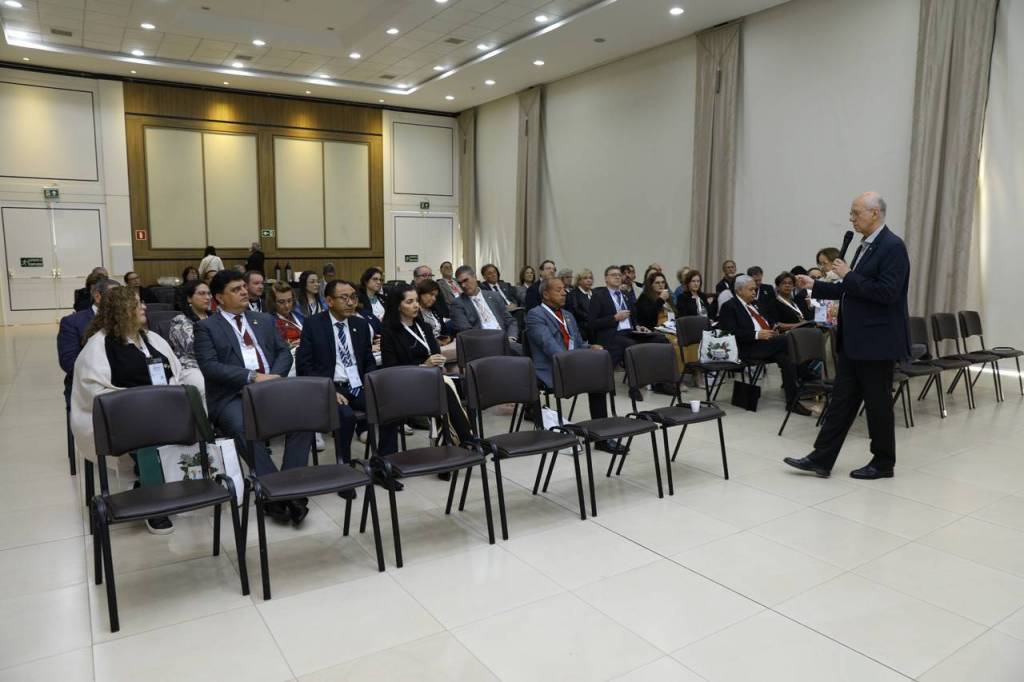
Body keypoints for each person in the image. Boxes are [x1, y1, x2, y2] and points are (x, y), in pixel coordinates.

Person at [785, 192, 910, 480]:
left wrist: (849, 275)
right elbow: (849, 288)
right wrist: (814, 285)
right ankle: (821, 458)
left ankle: (883, 462)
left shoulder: (892, 247)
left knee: (878, 404)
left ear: (875, 213)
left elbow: (888, 293)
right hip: (855, 341)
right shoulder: (865, 246)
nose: (851, 218)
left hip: (877, 342)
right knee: (842, 402)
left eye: (856, 212)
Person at [194, 270, 313, 524]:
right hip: (232, 396)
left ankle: (285, 490)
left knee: (304, 420)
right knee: (242, 426)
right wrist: (252, 377)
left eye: (243, 287)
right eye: (236, 289)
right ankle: (280, 493)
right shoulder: (206, 327)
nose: (244, 292)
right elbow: (210, 367)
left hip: (270, 390)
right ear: (219, 298)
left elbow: (284, 353)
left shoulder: (263, 319)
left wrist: (273, 377)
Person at [70, 285, 182, 534]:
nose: (144, 307)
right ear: (121, 310)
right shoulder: (99, 346)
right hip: (122, 418)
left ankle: (161, 485)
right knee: (147, 435)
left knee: (190, 422)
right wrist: (139, 402)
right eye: (137, 303)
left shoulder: (151, 339)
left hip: (163, 409)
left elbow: (176, 371)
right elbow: (94, 391)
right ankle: (155, 505)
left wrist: (168, 395)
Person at [525, 277, 624, 455]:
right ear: (545, 294)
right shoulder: (535, 315)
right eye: (558, 290)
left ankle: (601, 437)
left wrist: (590, 347)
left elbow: (577, 344)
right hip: (552, 369)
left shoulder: (568, 315)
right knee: (594, 376)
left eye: (564, 289)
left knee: (599, 379)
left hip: (572, 364)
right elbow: (549, 347)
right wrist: (576, 361)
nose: (564, 293)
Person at [380, 286, 473, 457]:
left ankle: (454, 440)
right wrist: (423, 366)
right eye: (410, 302)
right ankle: (467, 439)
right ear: (398, 305)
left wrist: (439, 362)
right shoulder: (389, 332)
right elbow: (391, 369)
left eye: (416, 301)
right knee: (445, 387)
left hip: (432, 379)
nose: (416, 305)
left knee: (462, 384)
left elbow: (435, 352)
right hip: (405, 384)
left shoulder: (424, 327)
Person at [296, 279, 376, 467]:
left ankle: (382, 460)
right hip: (330, 387)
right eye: (344, 298)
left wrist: (371, 383)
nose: (350, 302)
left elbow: (368, 360)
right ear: (330, 301)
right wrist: (328, 389)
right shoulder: (313, 324)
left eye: (353, 297)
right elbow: (304, 366)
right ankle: (344, 465)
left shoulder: (360, 325)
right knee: (346, 416)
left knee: (387, 407)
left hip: (357, 386)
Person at [718, 275, 810, 416]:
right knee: (789, 339)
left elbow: (770, 321)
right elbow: (729, 333)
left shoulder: (757, 304)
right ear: (739, 290)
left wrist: (774, 328)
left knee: (787, 359)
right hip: (746, 347)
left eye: (755, 289)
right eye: (751, 289)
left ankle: (793, 402)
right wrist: (756, 334)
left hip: (768, 344)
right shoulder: (729, 306)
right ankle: (808, 375)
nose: (754, 292)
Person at [589, 265, 669, 400]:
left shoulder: (626, 295)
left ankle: (662, 382)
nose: (617, 277)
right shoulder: (599, 296)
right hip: (612, 335)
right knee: (631, 345)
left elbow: (633, 317)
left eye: (619, 275)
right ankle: (634, 387)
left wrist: (638, 326)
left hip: (630, 332)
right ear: (606, 279)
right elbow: (592, 323)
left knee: (661, 339)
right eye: (613, 275)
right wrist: (615, 318)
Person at [59, 278, 120, 409]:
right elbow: (69, 362)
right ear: (97, 297)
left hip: (122, 385)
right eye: (114, 296)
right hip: (85, 387)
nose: (120, 301)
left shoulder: (126, 320)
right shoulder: (73, 322)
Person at [450, 266, 520, 352]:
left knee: (525, 353)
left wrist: (511, 338)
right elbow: (466, 332)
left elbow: (510, 321)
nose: (463, 285)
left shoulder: (494, 296)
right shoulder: (458, 303)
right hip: (482, 345)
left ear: (475, 277)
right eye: (460, 283)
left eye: (465, 280)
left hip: (506, 341)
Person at [166, 279, 211, 400]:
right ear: (189, 298)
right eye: (202, 293)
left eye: (209, 293)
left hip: (216, 364)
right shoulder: (180, 320)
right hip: (192, 367)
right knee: (207, 387)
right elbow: (193, 348)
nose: (207, 297)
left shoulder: (215, 318)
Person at [416, 279, 452, 345]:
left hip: (441, 345)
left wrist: (448, 338)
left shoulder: (435, 310)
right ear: (421, 293)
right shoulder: (414, 312)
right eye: (431, 294)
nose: (434, 299)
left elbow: (444, 331)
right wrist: (435, 342)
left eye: (435, 296)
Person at [271, 281, 304, 349]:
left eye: (289, 301)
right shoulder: (269, 321)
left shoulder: (299, 314)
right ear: (273, 302)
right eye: (281, 302)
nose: (287, 305)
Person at [565, 268, 595, 342]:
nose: (589, 280)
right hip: (581, 332)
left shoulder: (595, 293)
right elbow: (575, 312)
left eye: (590, 278)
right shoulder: (573, 295)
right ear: (579, 281)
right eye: (585, 278)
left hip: (595, 330)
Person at [356, 267, 386, 336]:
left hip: (384, 332)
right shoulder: (358, 300)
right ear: (366, 281)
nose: (379, 282)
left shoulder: (383, 298)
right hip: (367, 333)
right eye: (375, 279)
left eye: (380, 280)